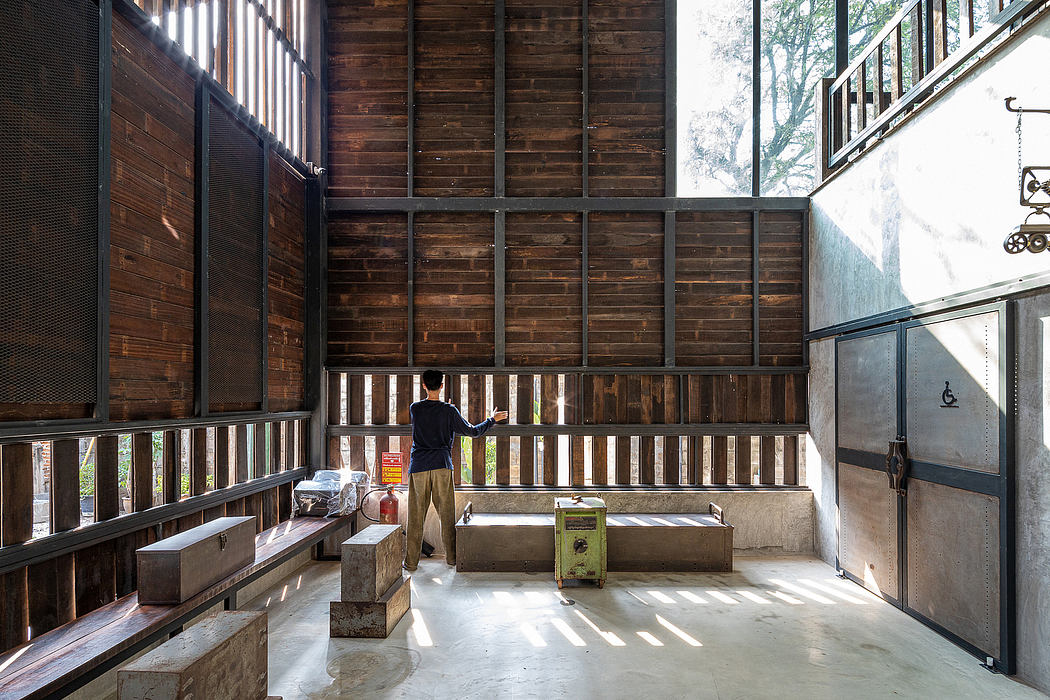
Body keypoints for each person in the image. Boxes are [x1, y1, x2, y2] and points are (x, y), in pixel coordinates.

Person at [404, 369, 507, 571]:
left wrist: (447, 411)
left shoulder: (415, 408)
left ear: (424, 385)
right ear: (442, 386)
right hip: (442, 465)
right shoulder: (449, 411)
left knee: (415, 517)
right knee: (447, 515)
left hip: (419, 466)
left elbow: (429, 420)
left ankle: (411, 563)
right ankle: (451, 559)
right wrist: (492, 419)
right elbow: (472, 431)